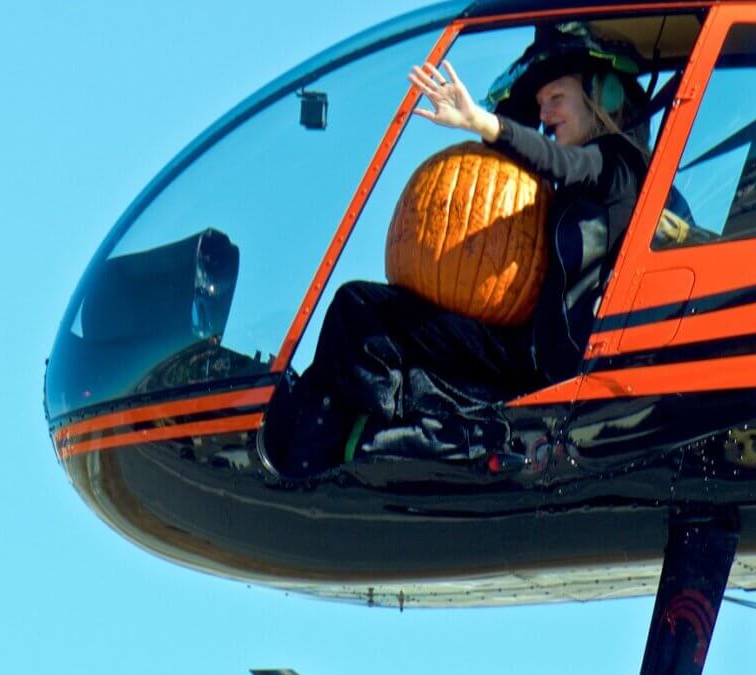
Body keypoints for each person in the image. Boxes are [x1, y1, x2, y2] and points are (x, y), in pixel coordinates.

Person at [265, 25, 651, 478]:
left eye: (556, 98)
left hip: (546, 364)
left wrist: (480, 123)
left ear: (600, 95)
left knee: (358, 307)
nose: (545, 114)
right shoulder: (581, 184)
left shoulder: (621, 163)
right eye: (542, 104)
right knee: (374, 322)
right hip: (527, 348)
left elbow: (561, 161)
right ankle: (334, 430)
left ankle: (336, 455)